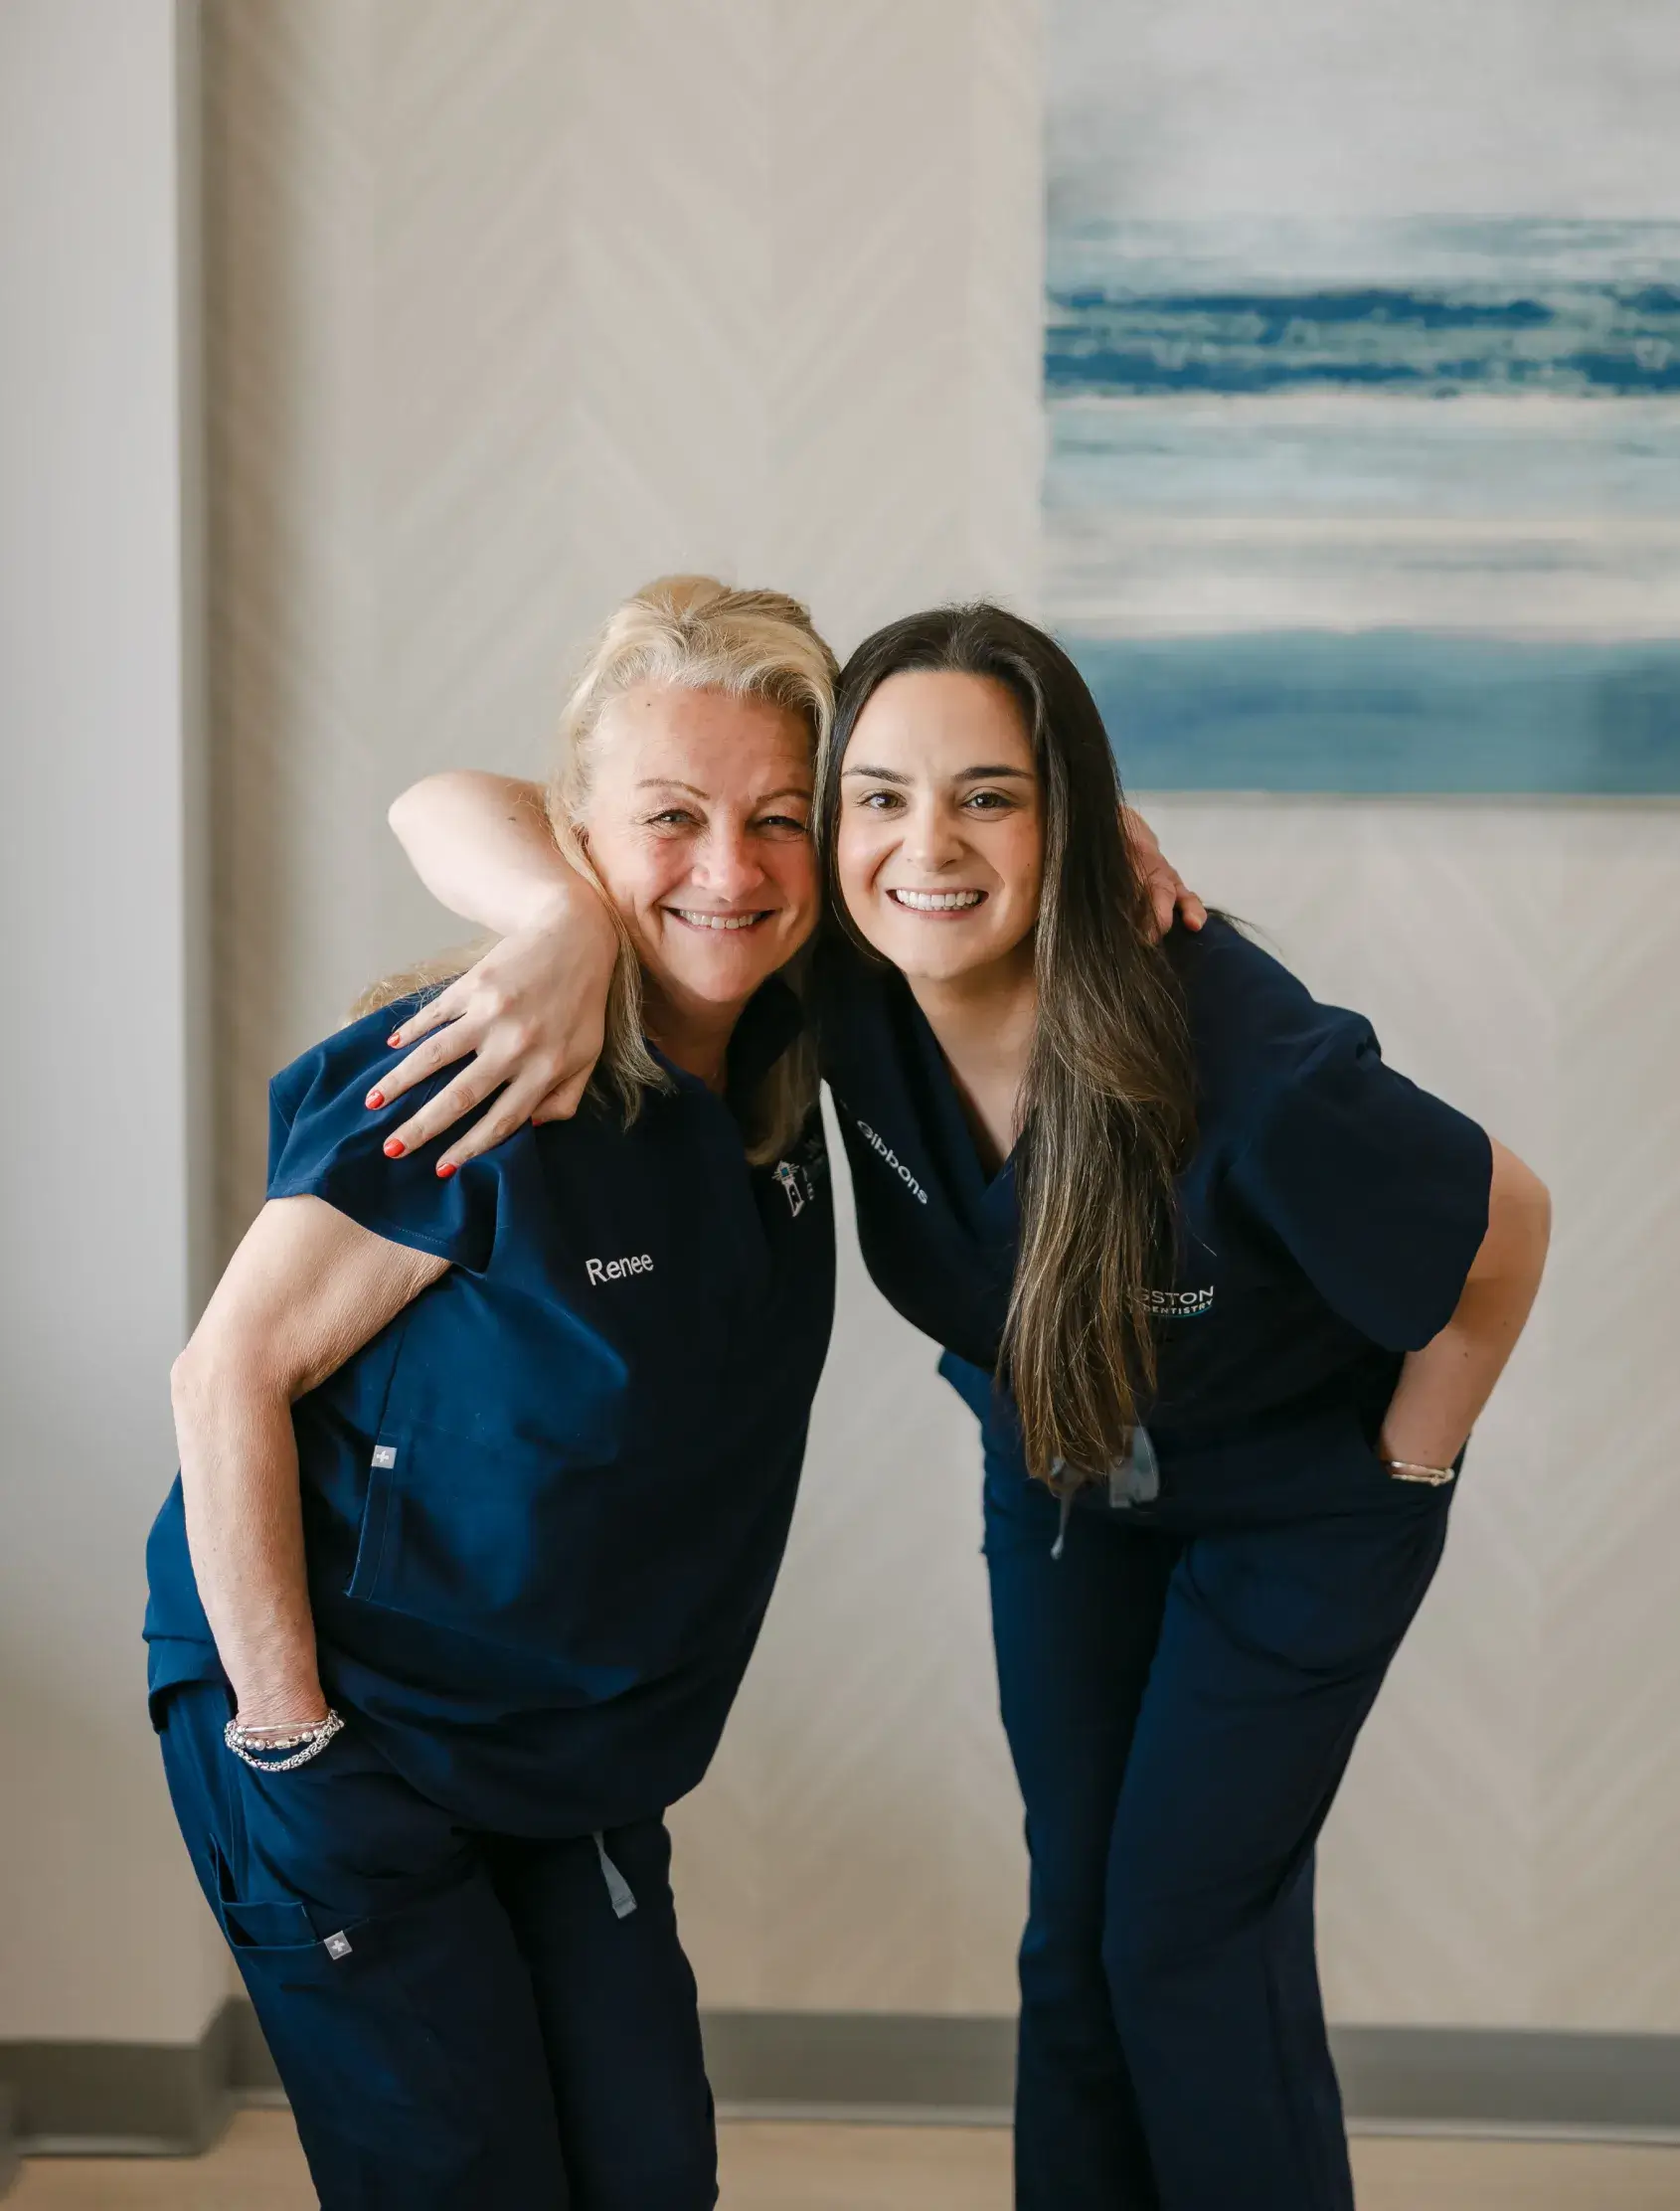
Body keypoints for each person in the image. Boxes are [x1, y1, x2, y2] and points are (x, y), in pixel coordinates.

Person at [379, 603, 1549, 2211]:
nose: (926, 844)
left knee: (1185, 1936)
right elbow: (442, 802)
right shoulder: (840, 984)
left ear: (1065, 816)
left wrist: (1405, 1477)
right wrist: (560, 919)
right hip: (1064, 1477)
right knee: (1073, 1927)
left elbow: (1507, 1229)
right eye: (881, 796)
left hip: (1294, 1515)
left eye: (990, 796)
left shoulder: (1240, 1060)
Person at [143, 578, 844, 2211]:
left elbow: (961, 862)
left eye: (779, 819)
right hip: (349, 1724)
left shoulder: (787, 1053)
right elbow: (225, 1372)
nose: (729, 871)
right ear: (580, 836)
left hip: (569, 1757)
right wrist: (290, 1741)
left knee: (649, 2175)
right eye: (669, 819)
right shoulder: (483, 1063)